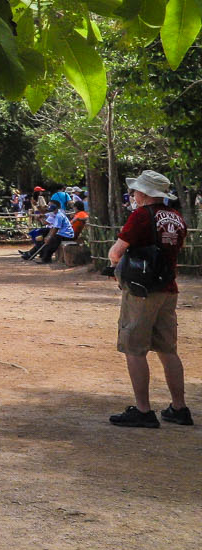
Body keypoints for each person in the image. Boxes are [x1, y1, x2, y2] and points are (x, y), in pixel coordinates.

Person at [108, 170, 189, 428]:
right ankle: (179, 408)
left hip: (142, 290)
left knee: (134, 348)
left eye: (135, 191)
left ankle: (143, 410)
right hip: (168, 288)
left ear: (144, 193)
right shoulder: (176, 217)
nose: (133, 195)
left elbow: (116, 252)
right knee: (167, 350)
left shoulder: (142, 216)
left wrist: (117, 269)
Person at [25, 197, 75, 263]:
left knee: (52, 242)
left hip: (66, 235)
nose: (49, 207)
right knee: (48, 241)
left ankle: (46, 259)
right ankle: (43, 257)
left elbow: (56, 228)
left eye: (50, 206)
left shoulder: (59, 215)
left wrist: (49, 237)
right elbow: (45, 215)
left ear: (56, 207)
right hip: (61, 233)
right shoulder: (55, 213)